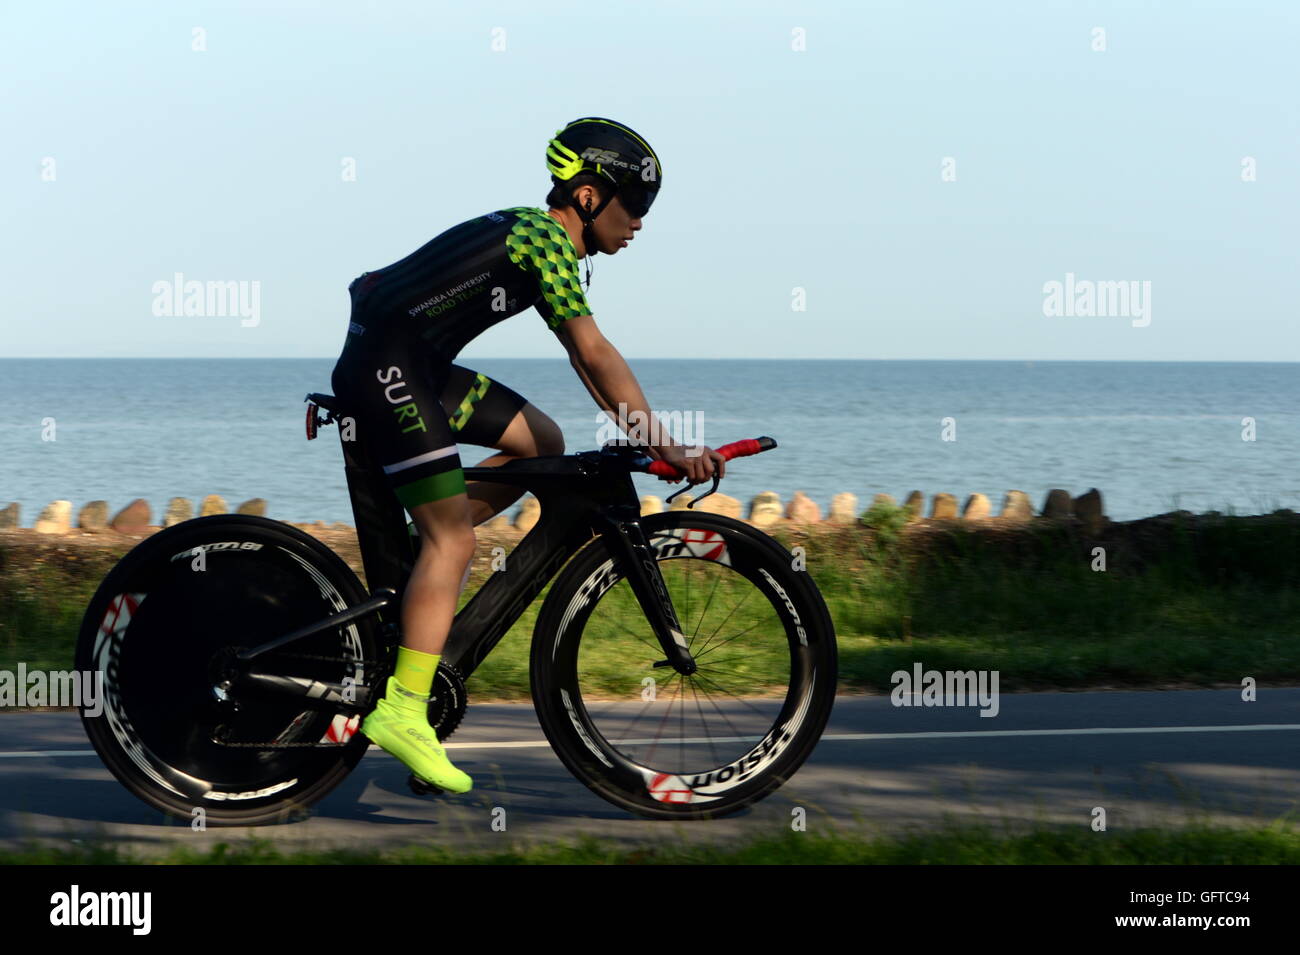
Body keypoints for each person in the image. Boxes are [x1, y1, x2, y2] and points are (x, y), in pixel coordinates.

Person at [330, 117, 726, 793]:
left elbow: (579, 356)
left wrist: (641, 431)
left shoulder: (537, 237)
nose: (639, 223)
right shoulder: (544, 238)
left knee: (539, 442)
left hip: (410, 363)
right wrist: (665, 444)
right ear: (590, 197)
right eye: (635, 206)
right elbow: (593, 352)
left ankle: (426, 548)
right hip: (388, 369)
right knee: (452, 539)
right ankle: (402, 710)